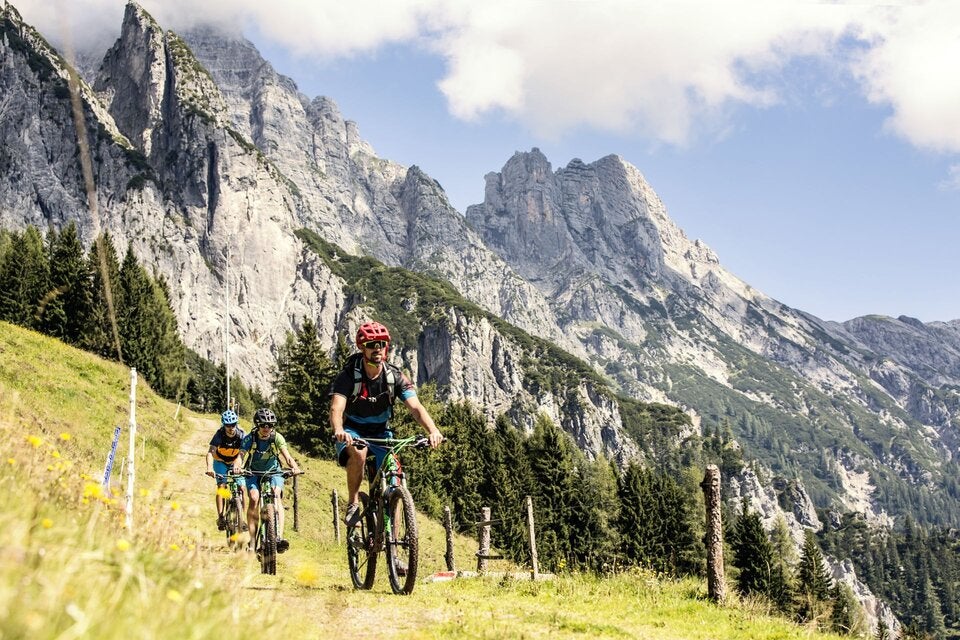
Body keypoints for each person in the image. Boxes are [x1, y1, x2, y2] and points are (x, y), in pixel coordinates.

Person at [329, 321, 443, 527]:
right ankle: (353, 503)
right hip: (353, 430)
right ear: (362, 347)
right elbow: (337, 408)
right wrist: (338, 430)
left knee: (395, 479)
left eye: (381, 344)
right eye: (372, 344)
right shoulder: (348, 376)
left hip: (382, 433)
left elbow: (416, 408)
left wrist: (433, 430)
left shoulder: (394, 377)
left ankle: (394, 547)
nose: (377, 349)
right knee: (359, 453)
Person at [232, 407, 301, 553]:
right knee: (254, 498)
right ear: (257, 424)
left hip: (273, 471)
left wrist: (294, 468)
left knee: (276, 495)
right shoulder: (250, 438)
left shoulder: (277, 437)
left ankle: (279, 537)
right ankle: (252, 541)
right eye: (263, 425)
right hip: (253, 472)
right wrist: (237, 466)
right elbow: (241, 456)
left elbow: (287, 457)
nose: (266, 428)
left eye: (269, 425)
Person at [205, 409, 246, 531]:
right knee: (221, 487)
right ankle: (221, 517)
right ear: (224, 425)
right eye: (228, 425)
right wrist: (209, 467)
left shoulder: (241, 435)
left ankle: (242, 519)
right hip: (220, 462)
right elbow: (210, 452)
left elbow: (246, 451)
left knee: (242, 488)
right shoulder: (219, 435)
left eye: (233, 424)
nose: (231, 428)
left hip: (235, 462)